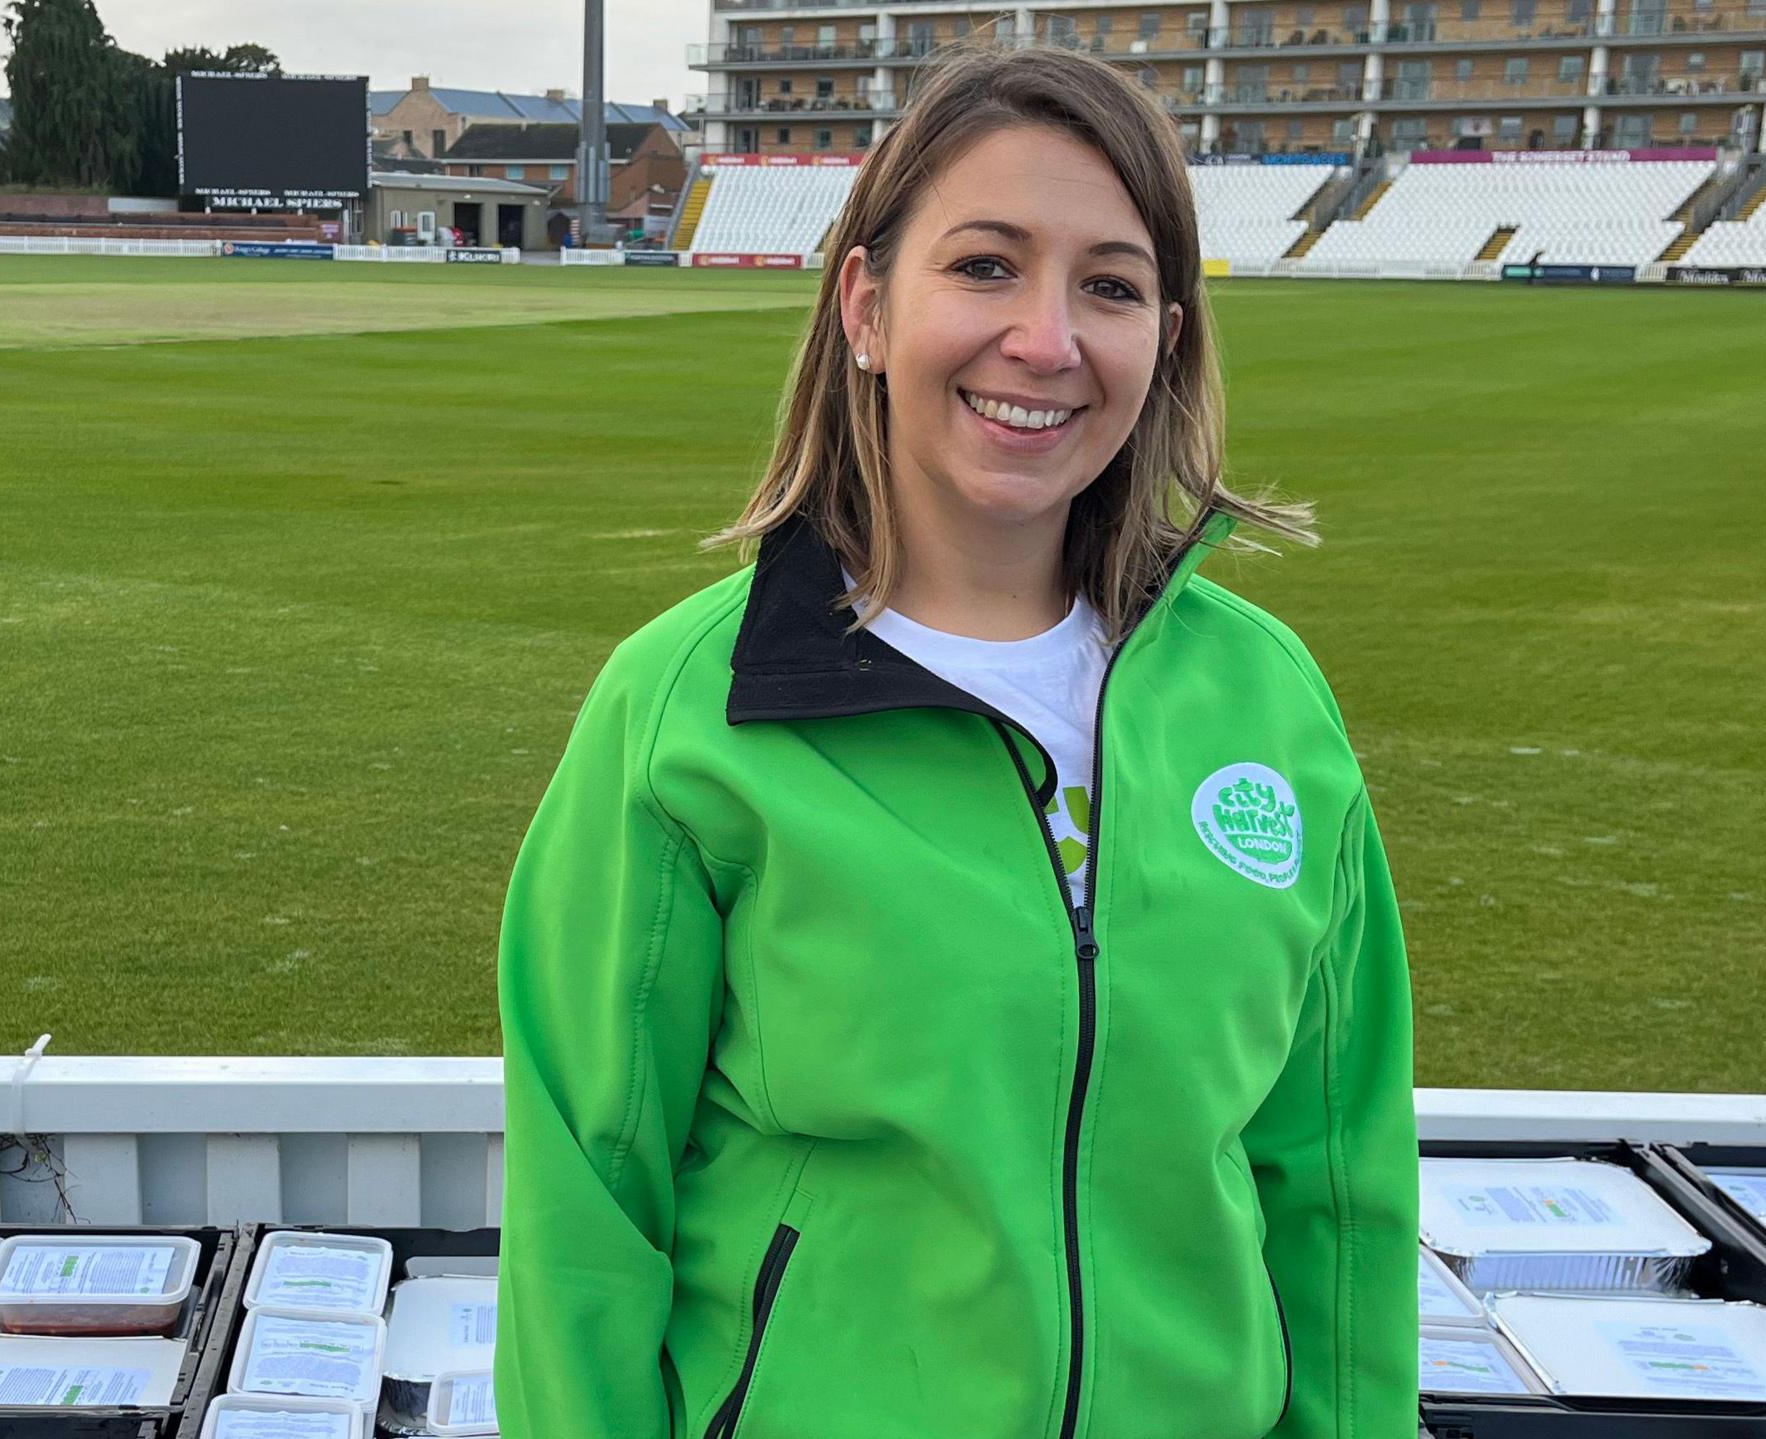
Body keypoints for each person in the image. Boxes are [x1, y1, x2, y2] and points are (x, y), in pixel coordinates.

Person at [495, 40, 1418, 1439]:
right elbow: (587, 1202)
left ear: (1166, 337)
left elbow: (1335, 1179)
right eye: (985, 266)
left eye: (1109, 285)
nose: (1046, 340)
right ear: (866, 306)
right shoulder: (686, 710)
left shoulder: (1269, 703)